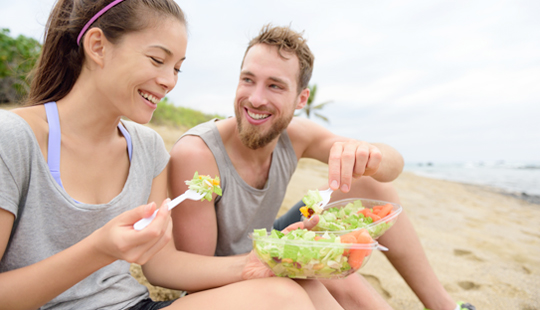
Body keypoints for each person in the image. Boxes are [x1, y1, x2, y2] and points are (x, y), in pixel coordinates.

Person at [0, 2, 343, 310]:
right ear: (98, 46)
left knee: (294, 288)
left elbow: (162, 267)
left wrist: (263, 260)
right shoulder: (14, 139)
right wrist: (101, 249)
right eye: (157, 60)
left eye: (177, 68)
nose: (169, 81)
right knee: (285, 299)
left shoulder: (147, 148)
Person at [169, 25, 475, 310]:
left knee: (370, 182)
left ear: (301, 98)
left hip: (270, 235)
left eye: (275, 86)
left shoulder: (296, 135)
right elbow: (196, 276)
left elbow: (392, 165)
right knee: (329, 275)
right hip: (225, 270)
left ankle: (445, 307)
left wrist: (368, 153)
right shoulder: (198, 154)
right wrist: (293, 260)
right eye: (248, 79)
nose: (256, 98)